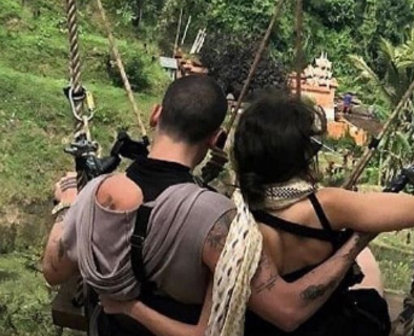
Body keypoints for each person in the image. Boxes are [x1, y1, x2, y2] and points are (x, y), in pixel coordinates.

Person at [100, 76, 414, 336]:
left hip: (258, 328)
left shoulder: (233, 213)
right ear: (301, 155)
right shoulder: (327, 205)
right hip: (330, 326)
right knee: (367, 265)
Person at [43, 75, 372, 336]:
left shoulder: (95, 194)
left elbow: (53, 271)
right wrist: (356, 240)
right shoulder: (218, 218)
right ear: (215, 139)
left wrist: (68, 205)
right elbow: (287, 311)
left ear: (156, 114)